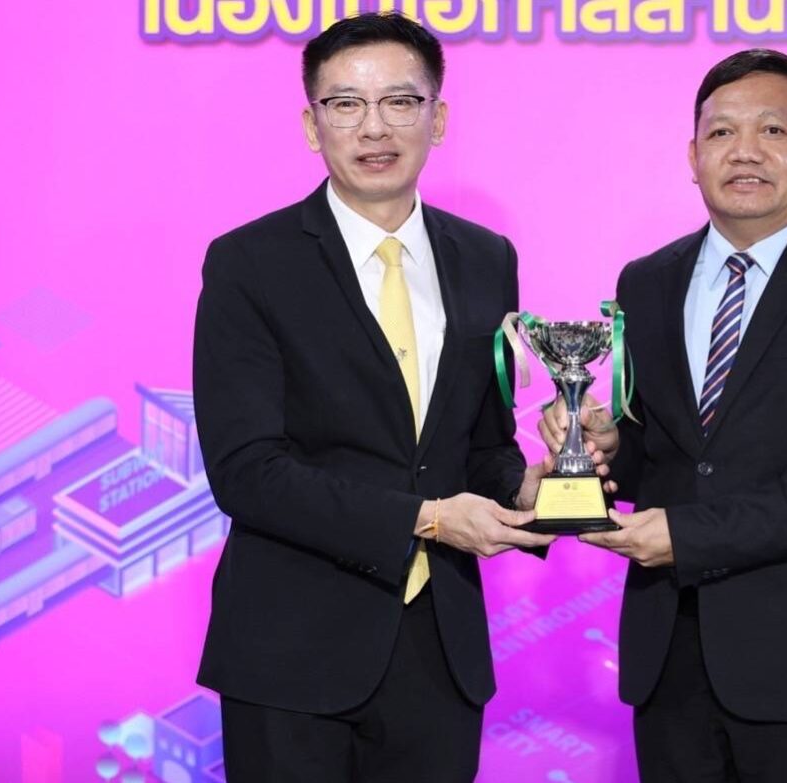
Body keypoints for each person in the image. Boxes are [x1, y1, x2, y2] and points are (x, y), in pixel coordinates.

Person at [540, 49, 787, 782]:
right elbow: (665, 452)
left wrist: (690, 536)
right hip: (667, 654)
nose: (744, 151)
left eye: (772, 131)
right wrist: (604, 446)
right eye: (721, 133)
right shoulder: (646, 280)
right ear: (693, 156)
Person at [192, 13, 554, 781]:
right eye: (345, 104)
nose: (374, 127)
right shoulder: (250, 263)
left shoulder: (485, 258)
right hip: (290, 652)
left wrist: (536, 484)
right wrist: (427, 518)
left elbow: (479, 446)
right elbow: (247, 471)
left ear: (438, 118)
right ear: (311, 125)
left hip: (439, 650)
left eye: (400, 101)